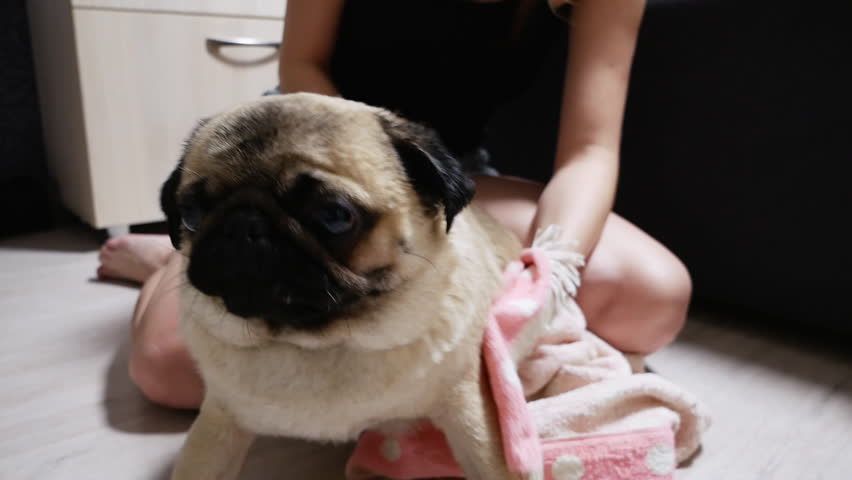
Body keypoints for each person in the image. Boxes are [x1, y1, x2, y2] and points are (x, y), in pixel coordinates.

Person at [98, 0, 691, 410]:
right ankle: (170, 262)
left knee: (651, 297)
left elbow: (588, 151)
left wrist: (552, 268)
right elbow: (302, 64)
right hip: (310, 154)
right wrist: (369, 185)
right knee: (171, 370)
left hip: (443, 169)